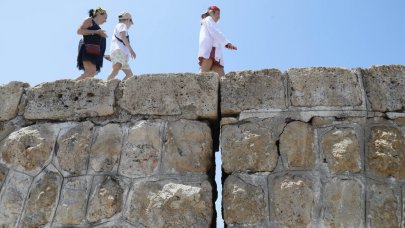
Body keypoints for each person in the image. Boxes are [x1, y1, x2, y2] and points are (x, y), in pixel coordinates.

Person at [198, 6, 237, 76]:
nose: (219, 17)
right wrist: (227, 42)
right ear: (212, 12)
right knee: (203, 74)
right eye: (218, 14)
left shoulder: (207, 21)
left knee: (221, 76)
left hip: (214, 51)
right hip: (211, 49)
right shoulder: (208, 19)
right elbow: (215, 32)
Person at [76, 7, 108, 80]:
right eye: (105, 17)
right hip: (87, 51)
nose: (106, 21)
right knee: (90, 73)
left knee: (90, 74)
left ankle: (71, 88)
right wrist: (96, 32)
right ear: (99, 14)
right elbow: (79, 31)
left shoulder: (97, 27)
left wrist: (105, 56)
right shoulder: (89, 20)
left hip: (95, 54)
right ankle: (69, 87)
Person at [106, 12, 136, 80]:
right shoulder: (122, 25)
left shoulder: (120, 26)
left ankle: (119, 88)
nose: (130, 24)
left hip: (119, 53)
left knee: (126, 74)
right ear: (128, 20)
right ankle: (106, 86)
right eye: (131, 22)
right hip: (119, 52)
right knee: (119, 70)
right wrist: (131, 50)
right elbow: (123, 36)